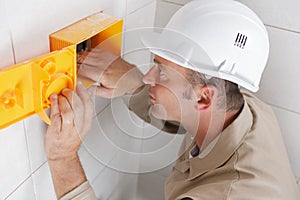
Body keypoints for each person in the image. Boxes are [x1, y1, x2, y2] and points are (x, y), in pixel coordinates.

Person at [45, 0, 300, 199]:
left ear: (204, 97)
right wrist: (130, 82)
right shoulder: (248, 109)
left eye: (162, 72)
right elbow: (186, 110)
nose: (148, 78)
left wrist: (62, 158)